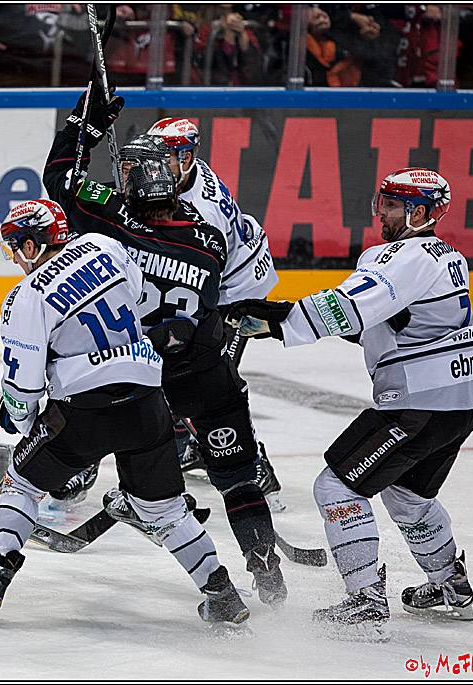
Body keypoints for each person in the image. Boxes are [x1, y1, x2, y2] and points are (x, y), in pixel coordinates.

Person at [0, 198, 249, 628]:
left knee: (23, 482)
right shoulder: (106, 245)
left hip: (81, 414)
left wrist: (30, 428)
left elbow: (24, 386)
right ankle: (223, 596)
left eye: (16, 246)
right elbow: (137, 298)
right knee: (166, 511)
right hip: (147, 403)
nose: (14, 257)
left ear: (32, 246)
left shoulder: (26, 297)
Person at [43, 100, 287, 608]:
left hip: (152, 371)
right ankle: (264, 563)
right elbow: (212, 297)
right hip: (208, 362)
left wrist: (82, 128)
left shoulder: (115, 221)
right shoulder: (208, 238)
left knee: (133, 431)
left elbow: (61, 180)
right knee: (235, 472)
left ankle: (141, 493)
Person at [225, 168, 473, 641]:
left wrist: (279, 322)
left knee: (336, 488)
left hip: (418, 402)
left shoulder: (405, 258)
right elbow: (388, 328)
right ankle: (452, 586)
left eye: (392, 205)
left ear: (421, 213)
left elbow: (349, 307)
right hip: (463, 400)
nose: (380, 211)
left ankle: (366, 602)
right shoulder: (447, 256)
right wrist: (285, 318)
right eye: (382, 200)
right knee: (409, 496)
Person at [145, 116, 283, 511]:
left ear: (187, 157)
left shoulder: (202, 210)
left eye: (166, 157)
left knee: (210, 382)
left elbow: (200, 283)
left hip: (236, 293)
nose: (157, 164)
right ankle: (190, 444)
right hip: (230, 276)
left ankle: (254, 466)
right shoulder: (183, 177)